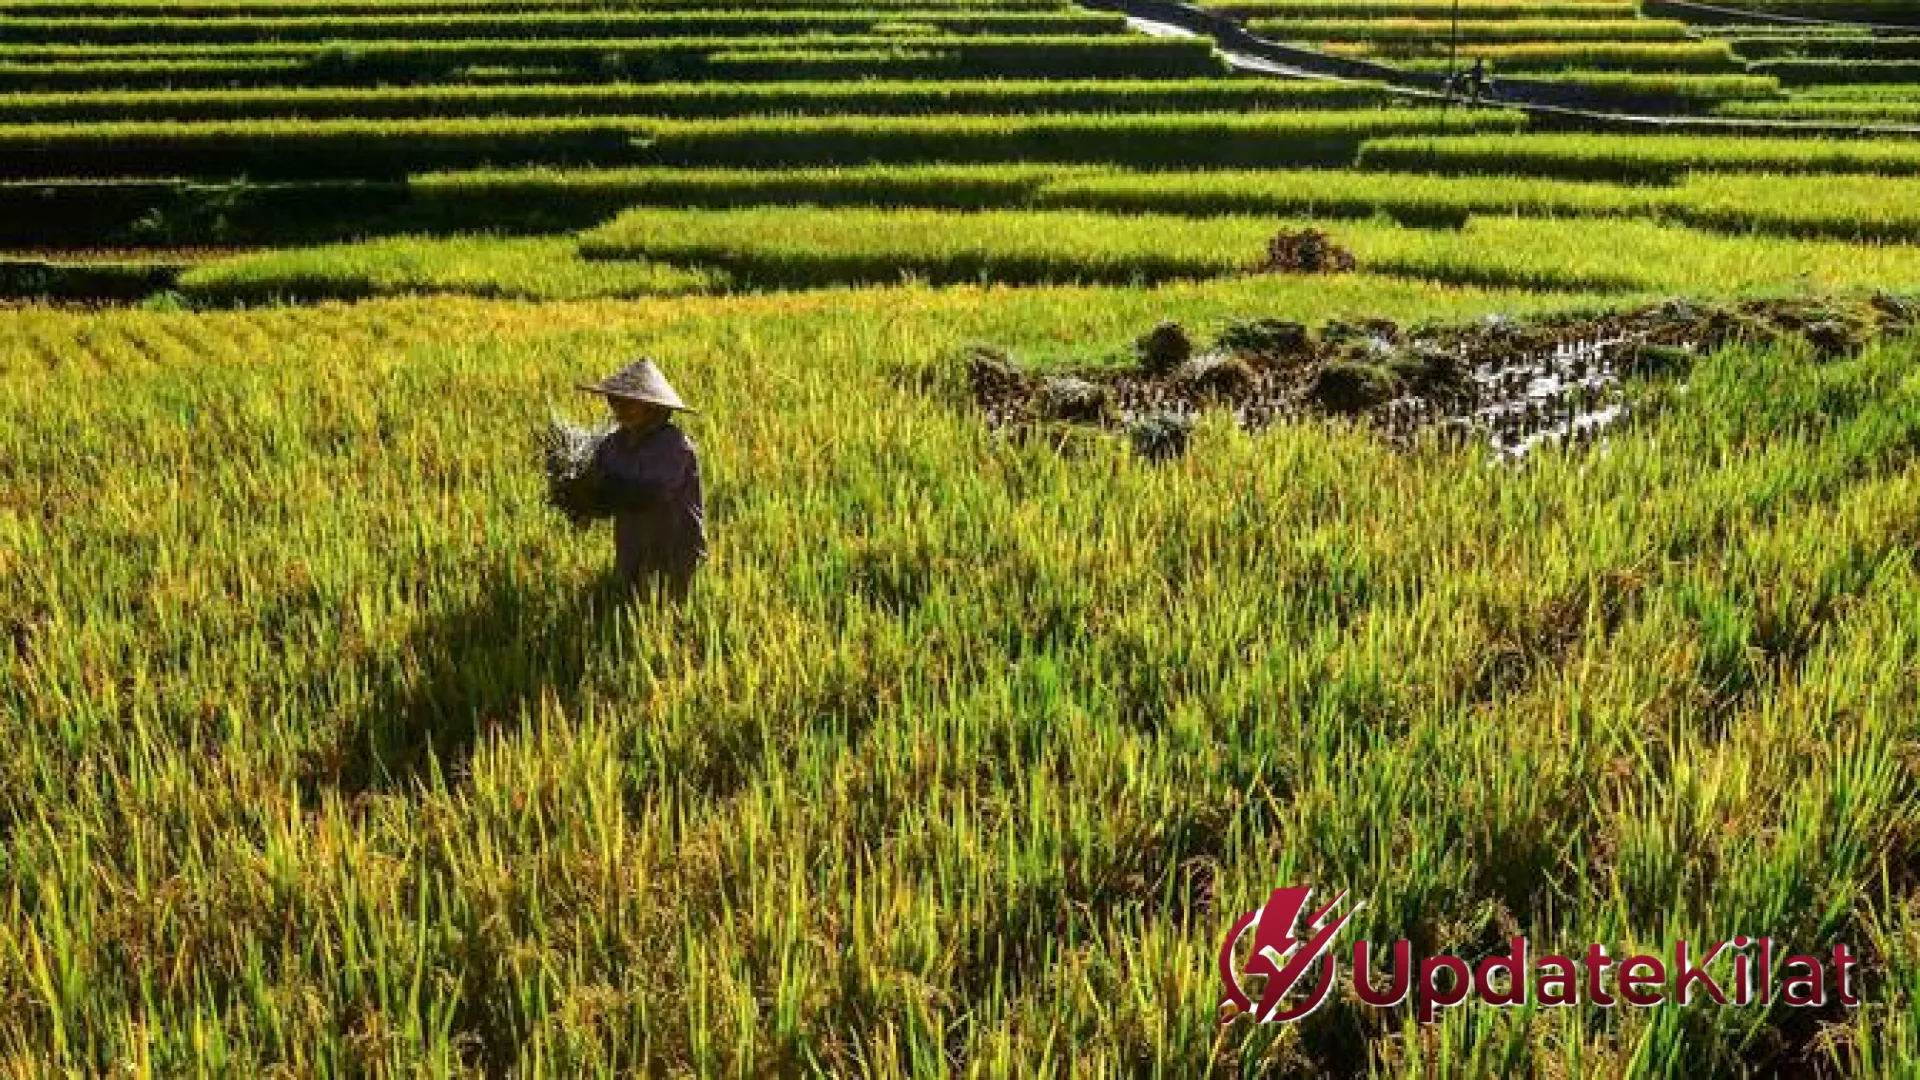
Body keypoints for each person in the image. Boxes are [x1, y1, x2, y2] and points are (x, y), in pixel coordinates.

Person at [575, 357, 706, 601]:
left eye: (628, 402)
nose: (619, 408)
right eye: (614, 400)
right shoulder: (611, 445)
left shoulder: (674, 445)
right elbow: (600, 484)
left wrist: (602, 490)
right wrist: (584, 502)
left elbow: (652, 492)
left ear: (652, 406)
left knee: (668, 610)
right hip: (632, 544)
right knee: (631, 605)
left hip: (674, 546)